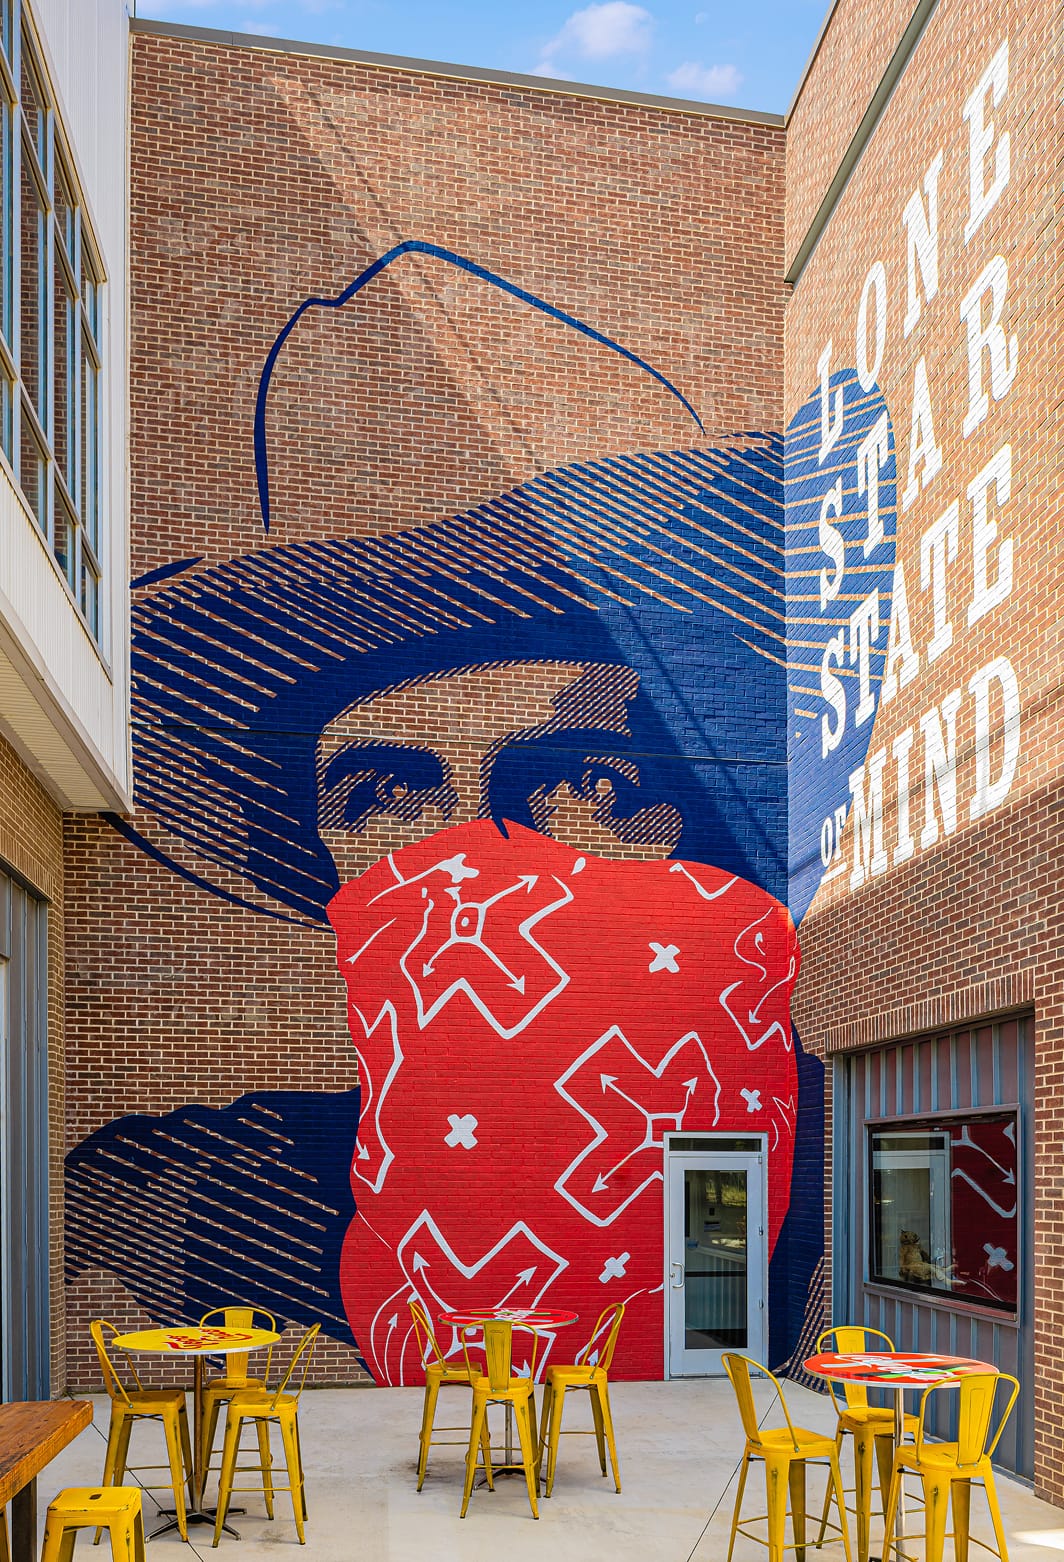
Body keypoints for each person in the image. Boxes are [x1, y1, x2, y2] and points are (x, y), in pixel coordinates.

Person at [68, 246, 889, 1379]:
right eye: (385, 794)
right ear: (315, 852)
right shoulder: (212, 1199)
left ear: (714, 805)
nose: (471, 856)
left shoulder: (860, 1152)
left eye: (582, 779)